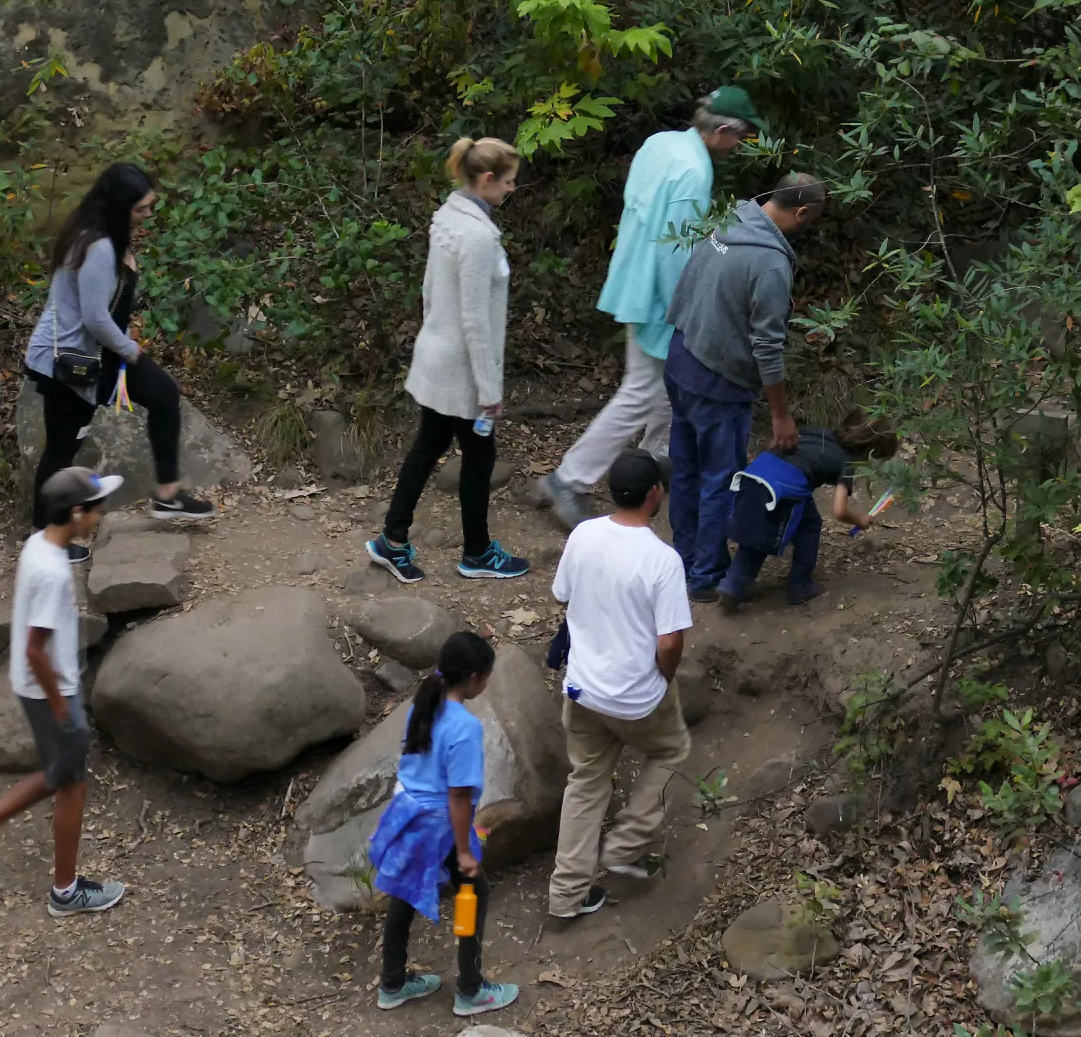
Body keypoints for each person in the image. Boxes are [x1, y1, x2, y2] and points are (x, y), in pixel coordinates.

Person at [531, 87, 768, 529]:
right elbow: (674, 250)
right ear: (720, 132)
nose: (738, 147)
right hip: (659, 294)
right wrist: (690, 309)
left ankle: (661, 465)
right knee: (641, 389)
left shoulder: (661, 142)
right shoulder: (694, 171)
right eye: (740, 137)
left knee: (664, 386)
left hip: (633, 277)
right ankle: (569, 478)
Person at [24, 163, 215, 561]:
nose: (148, 214)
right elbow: (94, 319)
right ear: (118, 206)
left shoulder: (107, 235)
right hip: (70, 364)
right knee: (61, 448)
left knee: (163, 394)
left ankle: (167, 496)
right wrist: (129, 348)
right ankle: (45, 538)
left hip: (99, 354)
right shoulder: (96, 247)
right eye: (141, 208)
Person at [366, 137, 529, 583]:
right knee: (479, 458)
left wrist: (432, 331)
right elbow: (476, 320)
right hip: (461, 370)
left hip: (437, 354)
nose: (513, 190)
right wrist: (490, 391)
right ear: (488, 179)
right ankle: (476, 552)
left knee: (428, 448)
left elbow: (429, 289)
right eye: (509, 182)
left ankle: (392, 541)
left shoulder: (448, 215)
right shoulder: (476, 235)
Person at [663, 172, 827, 601]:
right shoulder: (771, 263)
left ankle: (683, 559)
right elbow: (768, 346)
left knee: (686, 470)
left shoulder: (733, 219)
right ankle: (704, 576)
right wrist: (780, 413)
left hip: (681, 354)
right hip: (718, 380)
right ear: (803, 212)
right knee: (719, 478)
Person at [547, 450, 693, 921]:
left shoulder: (584, 534)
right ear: (655, 494)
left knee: (586, 783)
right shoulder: (662, 560)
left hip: (584, 689)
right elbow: (669, 641)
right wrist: (665, 676)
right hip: (638, 695)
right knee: (670, 751)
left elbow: (562, 595)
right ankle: (626, 843)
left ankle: (567, 895)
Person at [0, 467, 127, 916]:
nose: (101, 513)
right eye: (96, 507)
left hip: (36, 685)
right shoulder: (52, 574)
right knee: (68, 781)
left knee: (60, 774)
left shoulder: (39, 544)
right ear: (76, 512)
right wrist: (61, 708)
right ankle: (66, 892)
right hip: (50, 689)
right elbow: (35, 649)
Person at [368, 630, 520, 1019]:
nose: (486, 683)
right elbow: (458, 796)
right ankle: (470, 989)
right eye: (486, 675)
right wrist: (465, 850)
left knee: (402, 892)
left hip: (408, 813)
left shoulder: (425, 703)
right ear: (472, 678)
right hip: (438, 824)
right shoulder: (464, 727)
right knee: (475, 890)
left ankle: (393, 982)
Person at [718, 411, 899, 609]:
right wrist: (859, 520)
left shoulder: (817, 433)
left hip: (754, 477)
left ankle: (733, 586)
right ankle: (800, 585)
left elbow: (773, 443)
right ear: (870, 452)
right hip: (783, 492)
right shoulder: (847, 461)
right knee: (808, 529)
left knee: (758, 535)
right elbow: (839, 511)